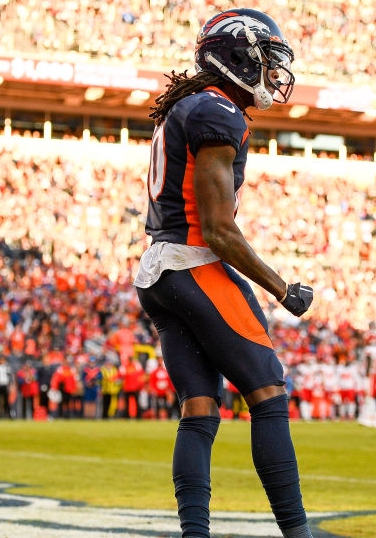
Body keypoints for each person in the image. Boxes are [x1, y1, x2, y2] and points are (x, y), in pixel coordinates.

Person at [133, 8, 313, 537]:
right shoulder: (217, 112)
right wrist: (283, 288)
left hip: (157, 269)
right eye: (265, 61)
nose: (273, 74)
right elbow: (218, 230)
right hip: (193, 262)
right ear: (237, 57)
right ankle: (297, 532)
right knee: (268, 394)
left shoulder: (188, 107)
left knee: (200, 410)